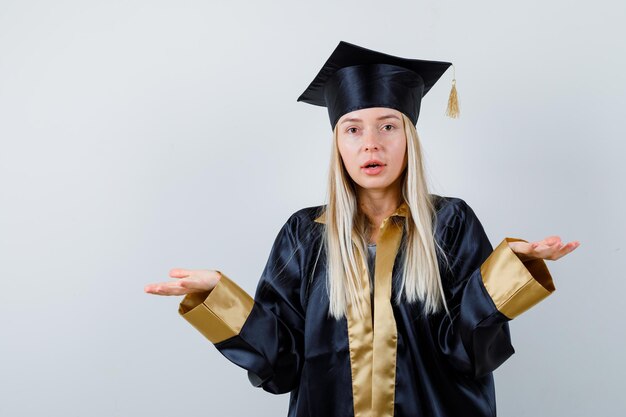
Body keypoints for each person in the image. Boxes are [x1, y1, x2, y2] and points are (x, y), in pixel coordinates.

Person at [144, 41, 579, 417]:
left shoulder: (450, 223)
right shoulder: (304, 236)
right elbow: (282, 364)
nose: (371, 143)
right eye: (353, 129)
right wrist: (218, 296)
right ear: (338, 143)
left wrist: (511, 270)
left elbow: (466, 352)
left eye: (388, 126)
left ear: (409, 136)